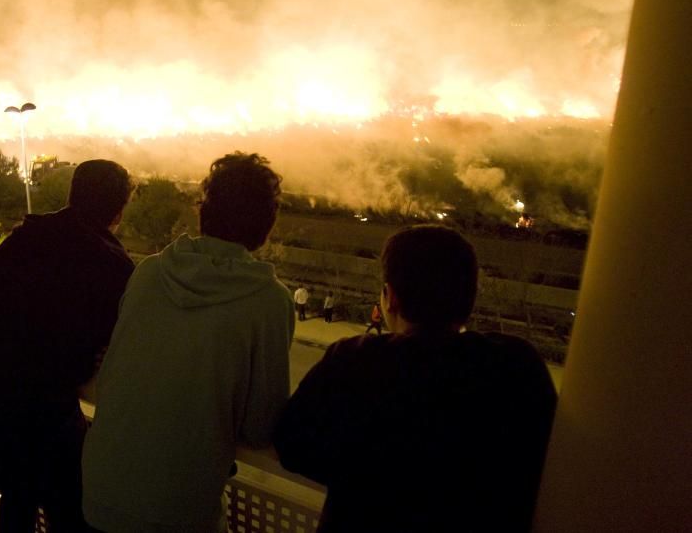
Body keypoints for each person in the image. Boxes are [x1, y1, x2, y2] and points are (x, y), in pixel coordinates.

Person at [274, 225, 558, 532]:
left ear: (390, 297)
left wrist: (363, 477)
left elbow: (292, 444)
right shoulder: (516, 365)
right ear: (469, 298)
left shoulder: (353, 359)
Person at [82, 152, 295, 533]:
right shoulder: (268, 301)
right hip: (177, 509)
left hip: (99, 490)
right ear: (267, 224)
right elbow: (261, 426)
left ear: (203, 213)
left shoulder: (148, 272)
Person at [0, 159, 134, 532]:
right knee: (71, 509)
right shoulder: (113, 268)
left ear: (73, 195)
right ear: (119, 209)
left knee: (18, 495)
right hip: (39, 415)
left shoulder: (22, 239)